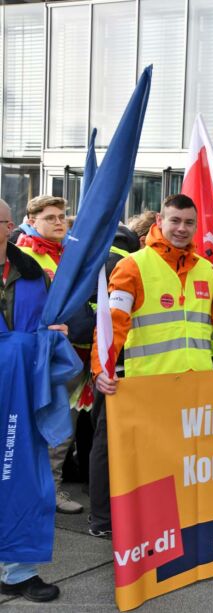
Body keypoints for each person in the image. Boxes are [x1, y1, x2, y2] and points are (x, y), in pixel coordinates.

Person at [92, 193, 213, 389]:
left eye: (189, 223)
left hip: (198, 380)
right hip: (150, 383)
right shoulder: (132, 266)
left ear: (196, 226)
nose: (182, 228)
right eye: (175, 220)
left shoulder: (207, 269)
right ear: (160, 221)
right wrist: (100, 367)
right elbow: (113, 322)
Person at [0, 198, 69, 602]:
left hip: (22, 392)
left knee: (22, 475)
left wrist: (54, 331)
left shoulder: (33, 275)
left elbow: (51, 323)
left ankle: (18, 571)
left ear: (9, 226)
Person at [16, 196, 93, 514]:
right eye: (50, 217)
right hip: (40, 358)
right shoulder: (22, 257)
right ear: (31, 220)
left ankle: (52, 489)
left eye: (62, 216)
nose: (59, 222)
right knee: (33, 426)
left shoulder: (68, 256)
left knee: (62, 426)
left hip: (73, 356)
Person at [86, 224, 141, 539]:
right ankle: (105, 517)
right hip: (124, 365)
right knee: (108, 442)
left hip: (111, 364)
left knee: (104, 442)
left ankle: (102, 517)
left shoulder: (95, 260)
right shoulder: (129, 264)